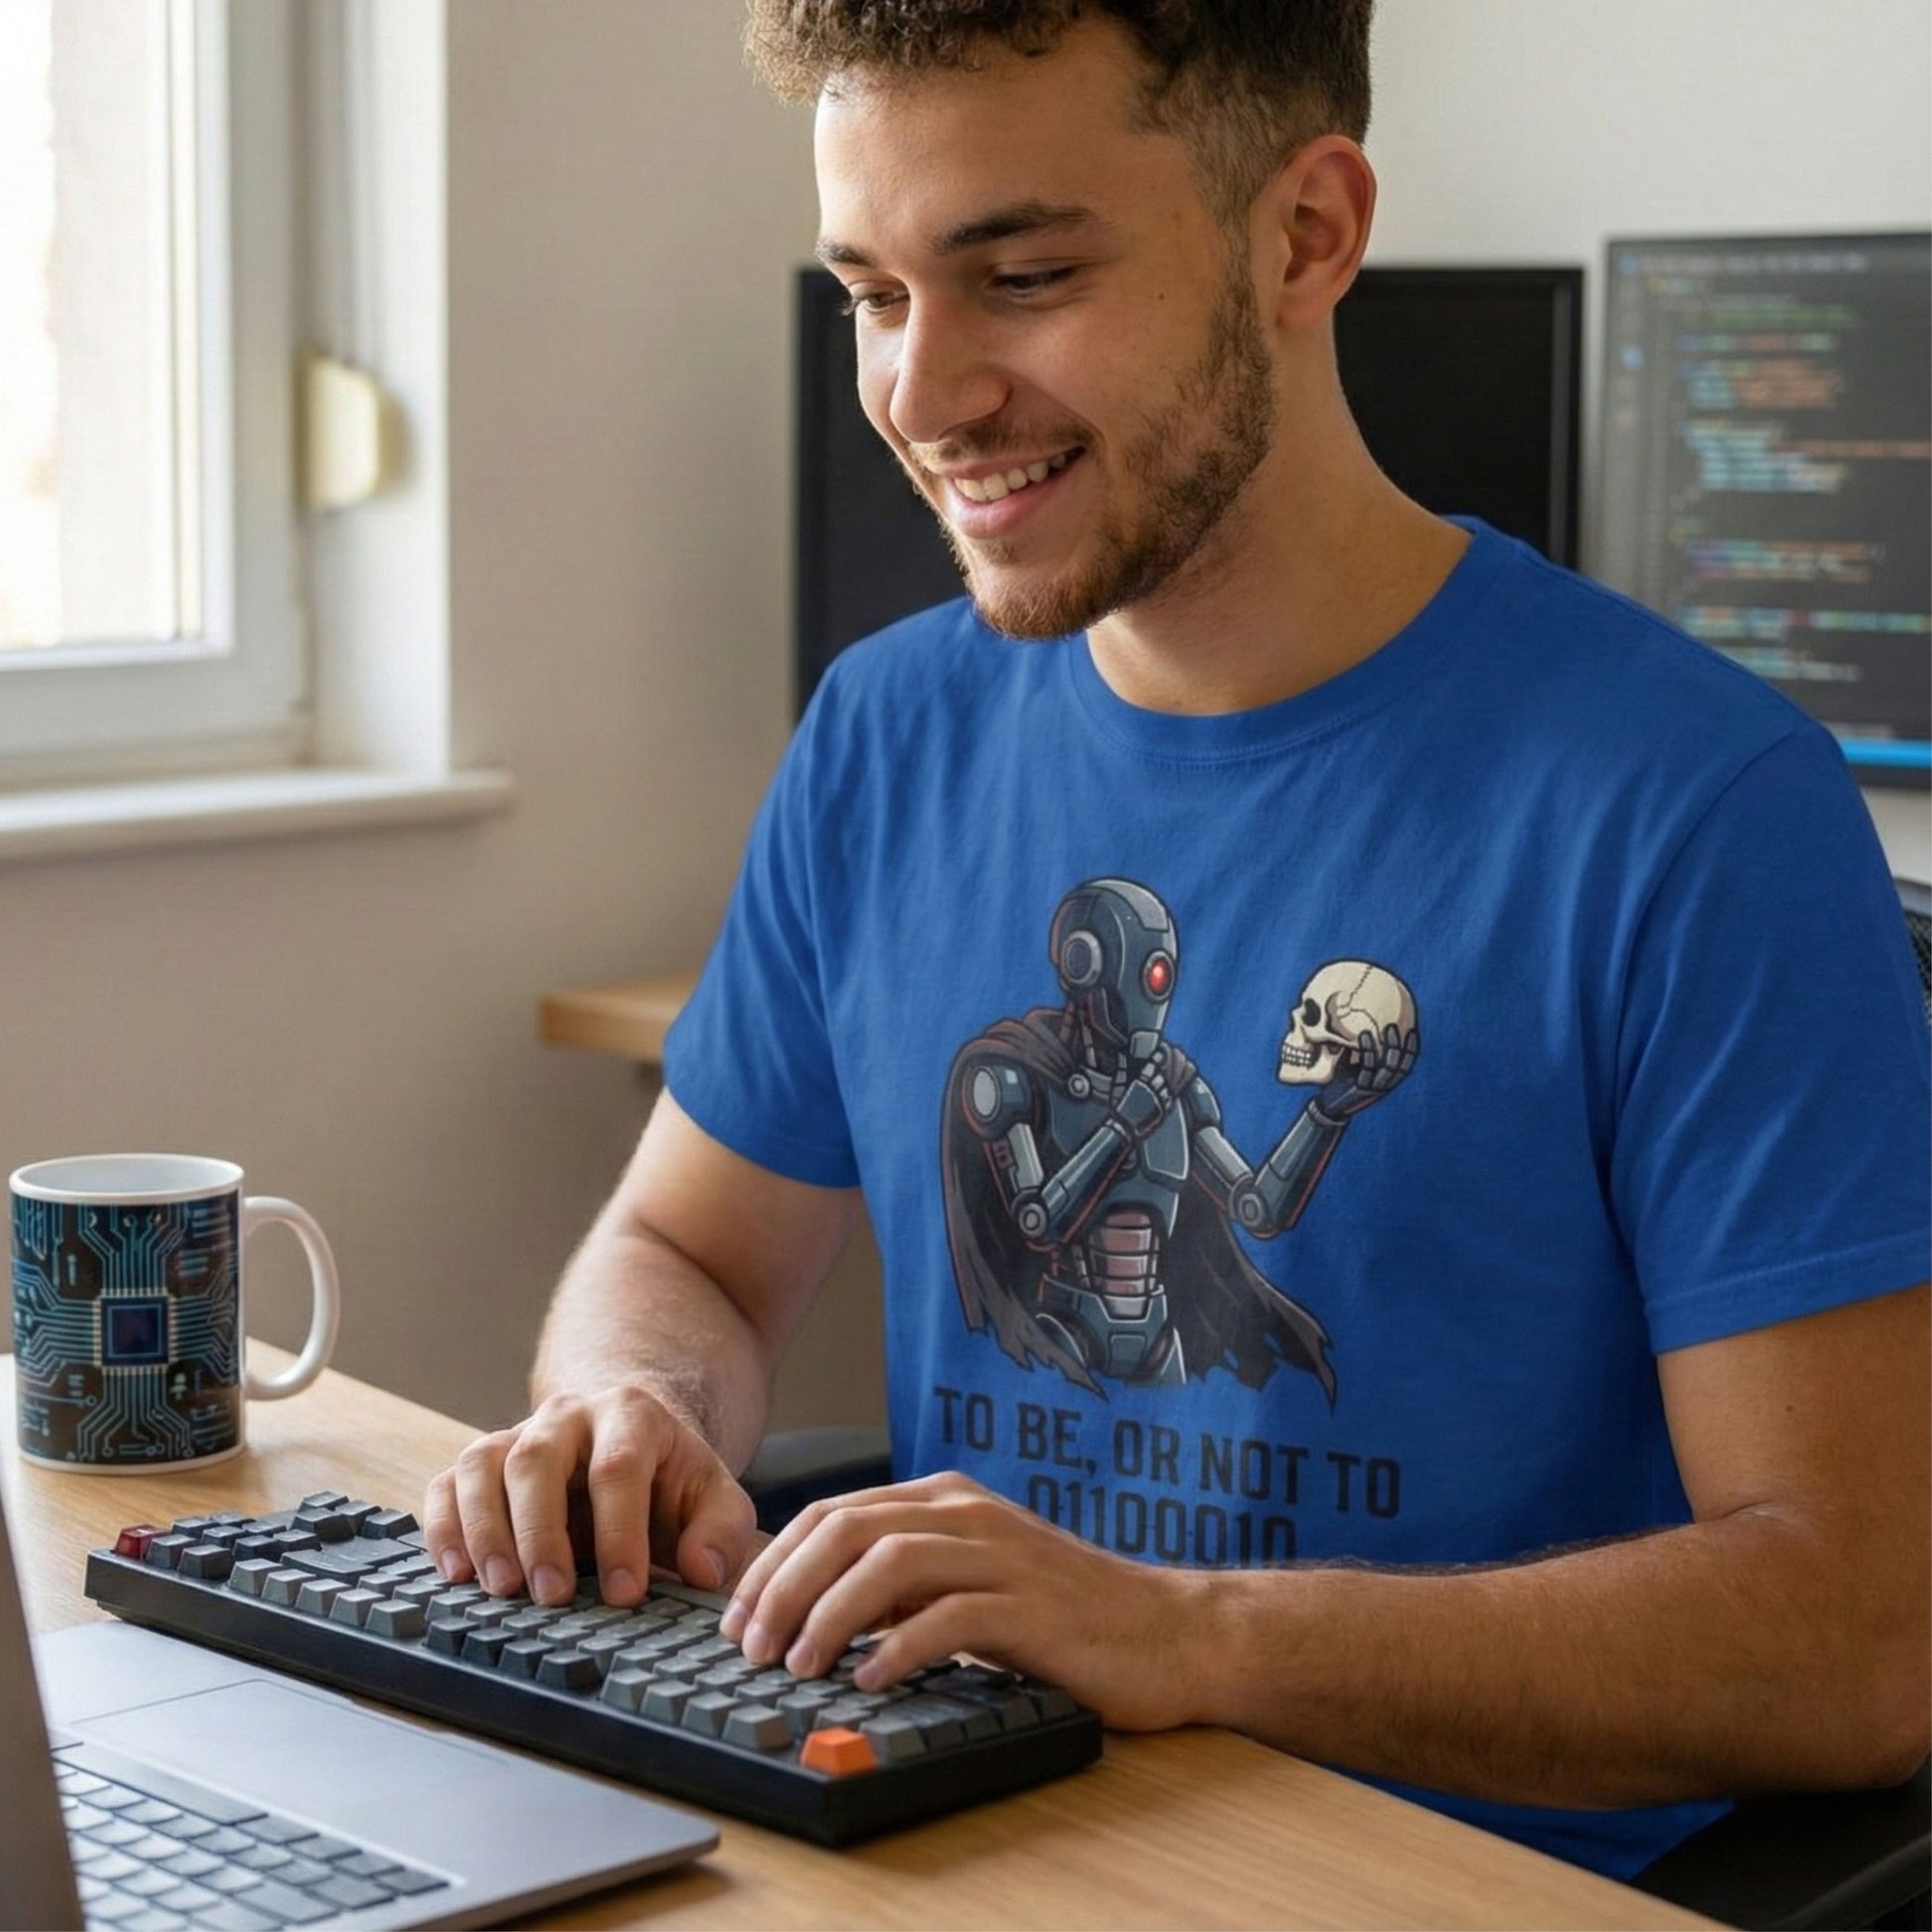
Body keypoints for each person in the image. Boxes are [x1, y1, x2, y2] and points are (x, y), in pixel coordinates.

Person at [425, 0, 1930, 1880]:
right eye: (875, 295)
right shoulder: (886, 734)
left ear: (1303, 233)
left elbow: (1858, 1642)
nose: (921, 390)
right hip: (950, 1851)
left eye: (1025, 274)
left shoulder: (1697, 813)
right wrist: (634, 1402)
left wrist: (1186, 1638)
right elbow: (683, 1254)